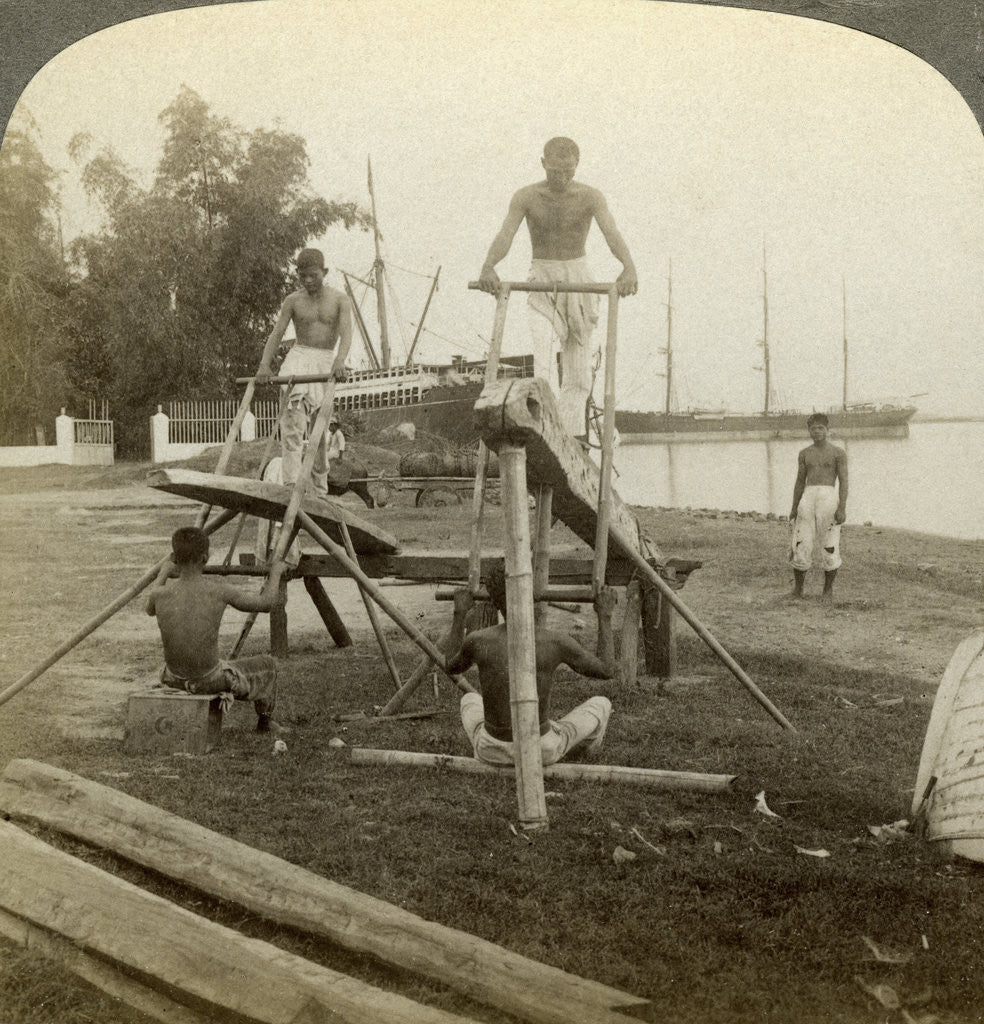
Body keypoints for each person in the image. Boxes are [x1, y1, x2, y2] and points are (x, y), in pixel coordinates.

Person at [477, 137, 638, 437]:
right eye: (555, 171)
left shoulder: (591, 196)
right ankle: (543, 433)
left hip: (579, 283)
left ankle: (573, 439)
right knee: (545, 362)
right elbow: (505, 234)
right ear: (543, 164)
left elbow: (611, 233)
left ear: (577, 165)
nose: (562, 178)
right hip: (542, 280)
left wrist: (628, 267)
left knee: (578, 379)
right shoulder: (526, 197)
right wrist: (489, 266)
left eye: (568, 171)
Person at [444, 566, 614, 766]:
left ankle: (533, 745)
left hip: (491, 750)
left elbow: (450, 665)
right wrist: (605, 615)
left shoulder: (479, 640)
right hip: (541, 749)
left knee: (469, 699)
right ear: (532, 597)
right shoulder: (554, 641)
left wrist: (459, 613)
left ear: (494, 602)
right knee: (601, 704)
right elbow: (606, 669)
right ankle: (583, 751)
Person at [145, 526, 288, 734]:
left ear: (175, 557)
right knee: (269, 664)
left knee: (219, 665)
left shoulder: (159, 594)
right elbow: (266, 604)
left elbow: (149, 608)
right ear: (206, 557)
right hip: (208, 680)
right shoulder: (218, 590)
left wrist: (164, 572)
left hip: (171, 679)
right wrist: (275, 572)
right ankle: (265, 722)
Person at [256, 248, 352, 497]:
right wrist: (264, 366)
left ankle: (320, 489)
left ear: (324, 272)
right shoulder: (293, 300)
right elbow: (277, 333)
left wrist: (340, 362)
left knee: (320, 434)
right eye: (302, 276)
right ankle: (291, 486)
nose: (308, 281)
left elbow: (346, 334)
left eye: (313, 275)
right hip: (298, 361)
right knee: (293, 428)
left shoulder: (340, 300)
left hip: (325, 363)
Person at [789, 413, 849, 601]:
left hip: (829, 499)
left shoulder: (838, 453)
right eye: (813, 428)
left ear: (827, 430)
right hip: (808, 499)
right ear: (809, 431)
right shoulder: (805, 453)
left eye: (821, 428)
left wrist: (842, 508)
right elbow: (799, 482)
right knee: (801, 542)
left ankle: (827, 591)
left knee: (829, 543)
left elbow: (844, 481)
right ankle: (798, 590)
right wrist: (794, 507)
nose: (817, 432)